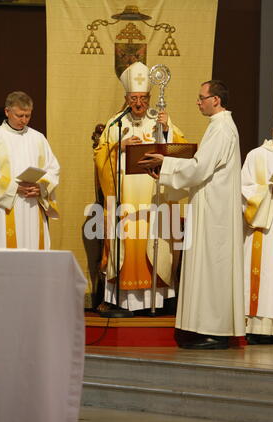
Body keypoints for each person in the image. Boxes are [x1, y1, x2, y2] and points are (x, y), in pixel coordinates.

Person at [138, 80, 245, 349]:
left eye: (201, 98)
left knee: (212, 267)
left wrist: (165, 163)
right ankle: (204, 328)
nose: (198, 102)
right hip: (210, 205)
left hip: (215, 212)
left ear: (216, 100)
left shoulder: (221, 129)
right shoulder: (219, 127)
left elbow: (199, 168)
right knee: (207, 266)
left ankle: (215, 331)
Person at [94, 61, 187, 313]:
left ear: (149, 97)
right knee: (126, 243)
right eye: (134, 98)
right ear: (126, 98)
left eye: (143, 98)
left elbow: (179, 149)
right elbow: (100, 157)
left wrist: (166, 131)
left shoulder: (160, 120)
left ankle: (153, 303)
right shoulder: (115, 124)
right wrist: (119, 147)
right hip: (125, 199)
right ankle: (122, 302)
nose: (138, 103)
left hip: (153, 198)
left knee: (153, 241)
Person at [0, 91, 59, 249]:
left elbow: (53, 169)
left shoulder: (38, 138)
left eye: (27, 116)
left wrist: (40, 187)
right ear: (7, 112)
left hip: (33, 206)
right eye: (19, 115)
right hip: (6, 206)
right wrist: (14, 187)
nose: (24, 120)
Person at [241, 114, 273, 344]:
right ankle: (257, 328)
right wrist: (271, 189)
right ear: (272, 132)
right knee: (264, 272)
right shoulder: (257, 156)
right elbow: (245, 190)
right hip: (264, 226)